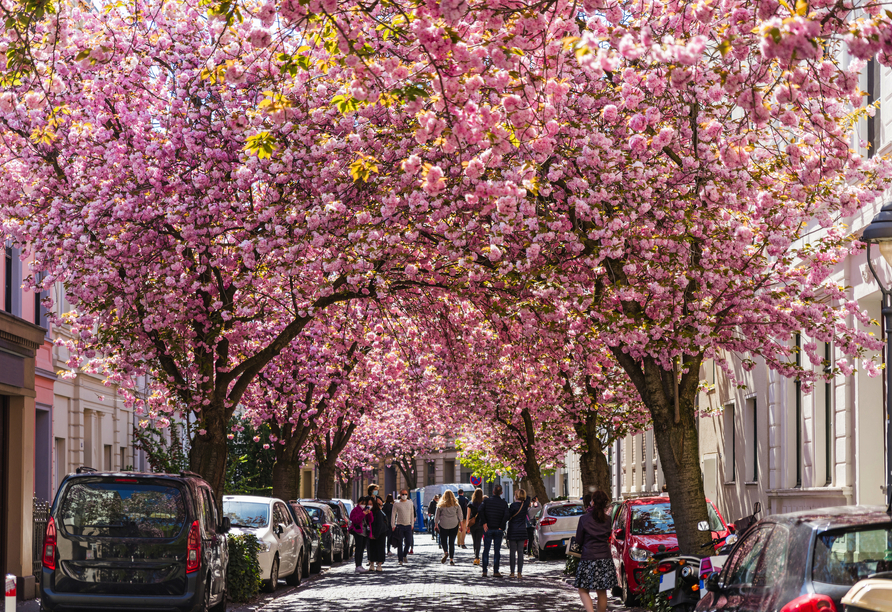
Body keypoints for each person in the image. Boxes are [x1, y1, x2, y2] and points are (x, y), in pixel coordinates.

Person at [575, 491, 617, 612]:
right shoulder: (608, 520)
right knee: (602, 591)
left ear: (592, 502)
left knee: (583, 589)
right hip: (604, 557)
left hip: (588, 558)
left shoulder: (584, 519)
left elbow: (578, 540)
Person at [478, 484, 509, 577]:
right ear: (501, 493)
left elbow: (480, 510)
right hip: (498, 529)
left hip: (488, 528)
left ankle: (484, 570)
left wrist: (484, 522)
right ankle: (496, 571)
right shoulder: (503, 503)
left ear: (493, 492)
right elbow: (506, 515)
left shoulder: (487, 501)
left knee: (486, 550)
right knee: (497, 551)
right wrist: (501, 526)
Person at [506, 488, 530, 578]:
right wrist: (522, 493)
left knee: (512, 552)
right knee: (520, 552)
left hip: (513, 530)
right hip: (522, 530)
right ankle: (519, 573)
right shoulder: (525, 505)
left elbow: (508, 517)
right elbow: (528, 498)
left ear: (516, 496)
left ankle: (512, 572)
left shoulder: (513, 505)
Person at [435, 490, 462, 565]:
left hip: (443, 524)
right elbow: (460, 516)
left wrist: (436, 525)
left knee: (443, 540)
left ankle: (446, 552)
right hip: (454, 524)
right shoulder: (456, 505)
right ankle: (451, 559)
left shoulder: (441, 505)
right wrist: (461, 526)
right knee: (452, 542)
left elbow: (437, 516)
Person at [349, 496, 373, 573]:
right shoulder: (355, 510)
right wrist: (363, 514)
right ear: (359, 502)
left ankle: (360, 565)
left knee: (362, 549)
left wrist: (369, 513)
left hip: (365, 532)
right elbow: (355, 520)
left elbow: (371, 520)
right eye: (362, 503)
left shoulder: (366, 510)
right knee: (358, 549)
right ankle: (357, 565)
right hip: (358, 531)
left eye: (365, 503)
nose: (363, 504)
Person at [391, 488, 416, 565]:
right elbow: (393, 514)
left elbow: (412, 513)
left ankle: (404, 554)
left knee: (408, 542)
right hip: (399, 526)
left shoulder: (410, 503)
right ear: (400, 495)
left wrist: (412, 524)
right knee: (399, 543)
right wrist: (393, 525)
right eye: (403, 494)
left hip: (408, 525)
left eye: (406, 494)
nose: (404, 495)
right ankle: (400, 560)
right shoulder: (396, 503)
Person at [368, 495, 387, 572]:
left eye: (371, 504)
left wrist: (375, 535)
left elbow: (380, 524)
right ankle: (371, 563)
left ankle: (379, 564)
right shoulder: (367, 512)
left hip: (380, 532)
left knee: (380, 548)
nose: (369, 505)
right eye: (368, 504)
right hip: (371, 532)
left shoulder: (378, 512)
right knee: (371, 548)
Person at [466, 488, 485, 565]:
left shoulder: (470, 503)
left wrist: (467, 526)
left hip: (473, 525)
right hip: (480, 524)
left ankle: (476, 557)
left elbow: (468, 515)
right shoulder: (483, 503)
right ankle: (477, 556)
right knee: (479, 541)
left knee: (474, 541)